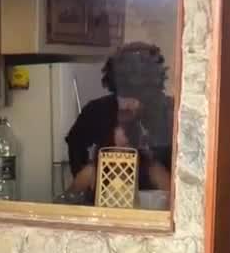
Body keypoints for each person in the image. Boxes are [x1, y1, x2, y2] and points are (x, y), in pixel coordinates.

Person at [64, 42, 174, 201]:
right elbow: (75, 142)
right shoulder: (97, 110)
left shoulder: (168, 112)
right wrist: (86, 180)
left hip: (153, 200)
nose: (130, 104)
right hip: (106, 198)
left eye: (137, 97)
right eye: (124, 96)